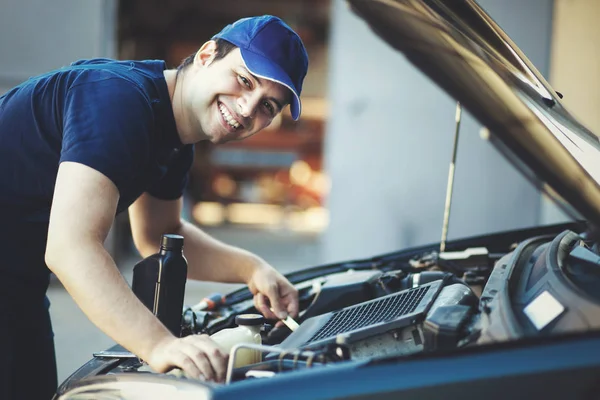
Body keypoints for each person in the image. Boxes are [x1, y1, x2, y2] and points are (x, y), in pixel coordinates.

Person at [0, 15, 309, 399]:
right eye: (244, 80)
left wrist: (252, 269)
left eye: (268, 106)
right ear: (207, 54)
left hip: (17, 286)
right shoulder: (118, 101)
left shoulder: (174, 139)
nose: (248, 110)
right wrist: (159, 344)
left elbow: (158, 236)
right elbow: (70, 248)